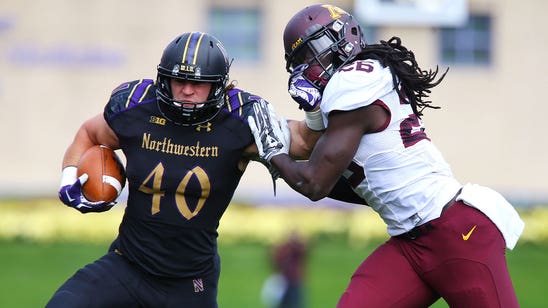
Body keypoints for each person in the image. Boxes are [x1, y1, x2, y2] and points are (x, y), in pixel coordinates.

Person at [248, 4, 525, 307]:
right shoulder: (353, 93)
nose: (311, 64)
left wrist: (271, 151)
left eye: (315, 49)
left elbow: (315, 183)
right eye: (302, 59)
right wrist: (301, 127)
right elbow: (350, 184)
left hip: (457, 232)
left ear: (344, 38)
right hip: (409, 244)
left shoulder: (353, 83)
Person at [48, 31, 290, 308]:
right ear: (164, 79)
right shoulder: (137, 109)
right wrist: (68, 179)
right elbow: (89, 133)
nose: (187, 90)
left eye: (198, 83)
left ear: (218, 87)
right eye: (180, 80)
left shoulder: (238, 121)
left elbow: (302, 141)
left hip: (190, 282)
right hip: (128, 266)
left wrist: (325, 112)